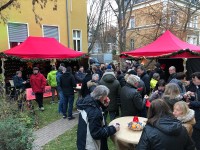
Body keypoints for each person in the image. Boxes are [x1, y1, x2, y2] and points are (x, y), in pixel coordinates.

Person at [76, 85, 120, 150]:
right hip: (90, 145)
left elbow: (97, 113)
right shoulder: (94, 112)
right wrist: (113, 128)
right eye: (106, 96)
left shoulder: (88, 100)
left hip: (83, 139)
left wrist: (104, 106)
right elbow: (97, 133)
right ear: (101, 97)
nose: (107, 98)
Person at [187, 72, 200, 149]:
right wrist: (192, 96)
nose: (193, 81)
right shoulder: (197, 87)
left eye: (194, 79)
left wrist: (190, 103)